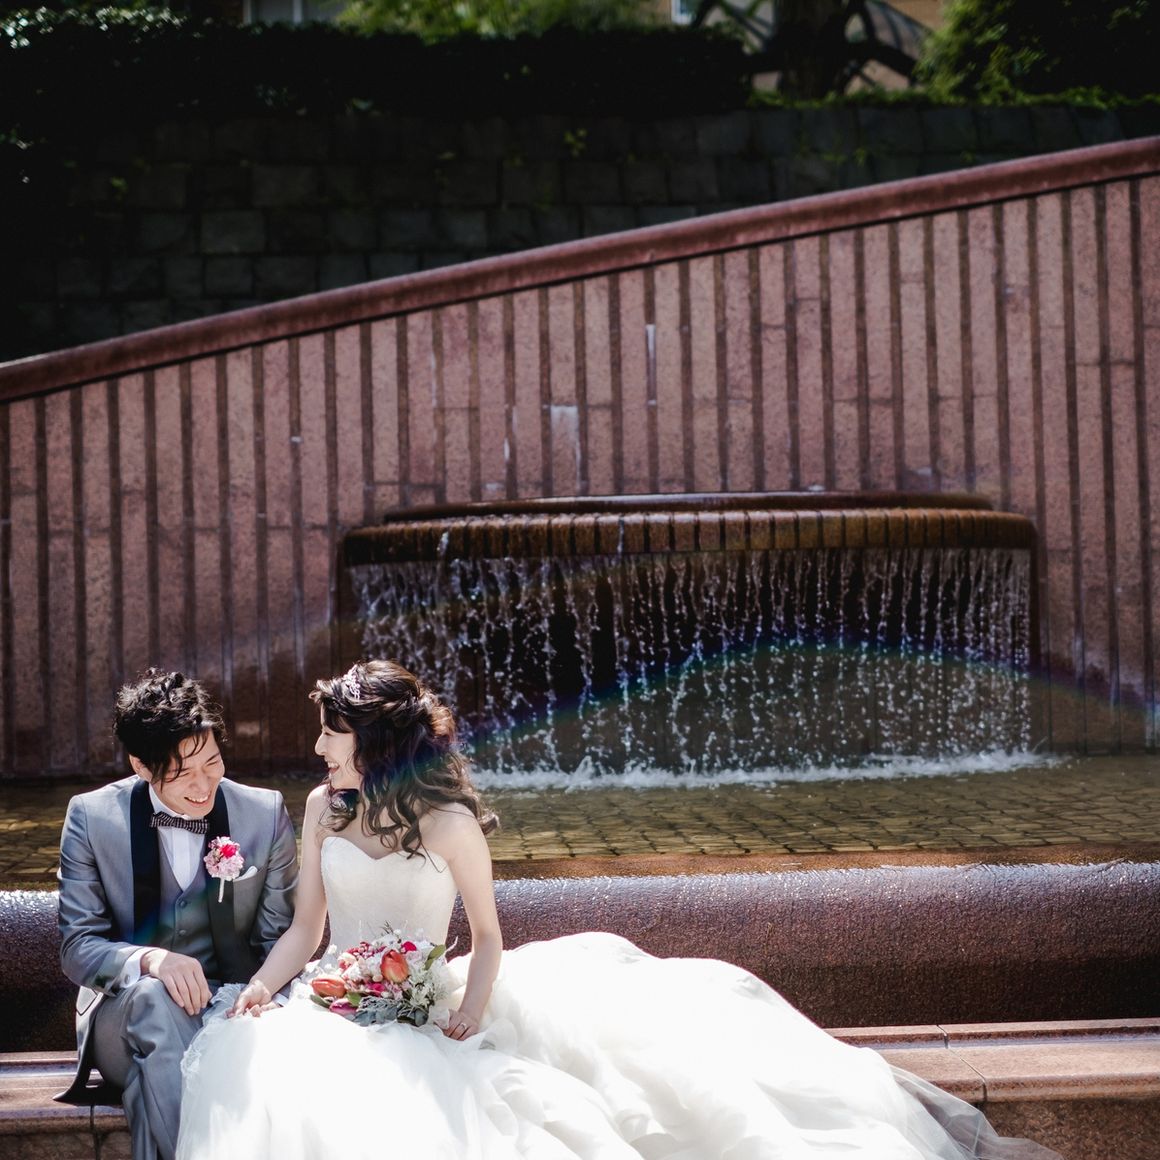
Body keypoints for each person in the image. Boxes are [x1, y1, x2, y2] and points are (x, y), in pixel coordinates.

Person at [177, 659, 1062, 1160]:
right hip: (336, 1003)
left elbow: (487, 938)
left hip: (433, 1003)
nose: (318, 745)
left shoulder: (449, 823)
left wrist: (469, 1012)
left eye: (331, 732)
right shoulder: (323, 809)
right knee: (266, 1077)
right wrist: (263, 987)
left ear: (370, 741)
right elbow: (308, 930)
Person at [56, 669, 299, 1160]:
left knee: (155, 1082)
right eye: (183, 773)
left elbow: (278, 939)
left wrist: (267, 994)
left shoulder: (264, 814)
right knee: (152, 998)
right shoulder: (91, 817)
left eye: (212, 762)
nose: (204, 784)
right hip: (123, 1018)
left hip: (233, 1013)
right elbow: (77, 947)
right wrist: (150, 960)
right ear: (140, 765)